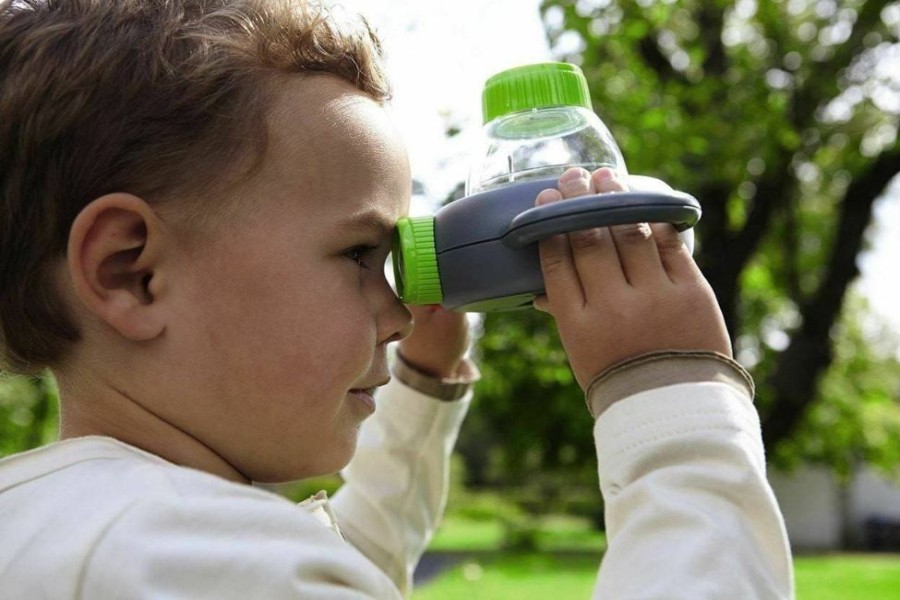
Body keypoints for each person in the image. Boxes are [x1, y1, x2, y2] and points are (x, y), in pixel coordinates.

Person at [0, 0, 793, 598]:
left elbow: (341, 567)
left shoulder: (85, 529)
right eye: (357, 254)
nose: (400, 311)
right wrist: (673, 409)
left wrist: (420, 386)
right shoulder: (190, 557)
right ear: (130, 272)